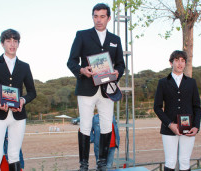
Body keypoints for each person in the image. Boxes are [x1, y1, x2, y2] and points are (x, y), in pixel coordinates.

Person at [67, 3, 125, 170]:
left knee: (107, 125)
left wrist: (117, 73)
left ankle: (102, 163)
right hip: (86, 88)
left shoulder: (115, 40)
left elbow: (121, 65)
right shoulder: (82, 35)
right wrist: (81, 70)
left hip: (107, 89)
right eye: (95, 16)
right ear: (92, 17)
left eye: (102, 16)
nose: (98, 20)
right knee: (85, 125)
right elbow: (71, 61)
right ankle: (83, 164)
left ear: (108, 18)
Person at [0, 29, 36, 171]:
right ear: (2, 43)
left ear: (18, 44)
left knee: (14, 155)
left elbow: (32, 92)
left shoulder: (24, 66)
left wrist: (22, 100)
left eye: (15, 41)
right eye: (8, 41)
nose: (12, 44)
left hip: (18, 116)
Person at [154, 50, 201, 171]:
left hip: (188, 128)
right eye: (177, 60)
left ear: (185, 63)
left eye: (182, 60)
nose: (180, 63)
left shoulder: (191, 82)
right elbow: (157, 107)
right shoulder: (163, 83)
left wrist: (196, 126)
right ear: (171, 63)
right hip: (168, 128)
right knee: (170, 161)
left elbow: (197, 107)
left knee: (185, 161)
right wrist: (170, 124)